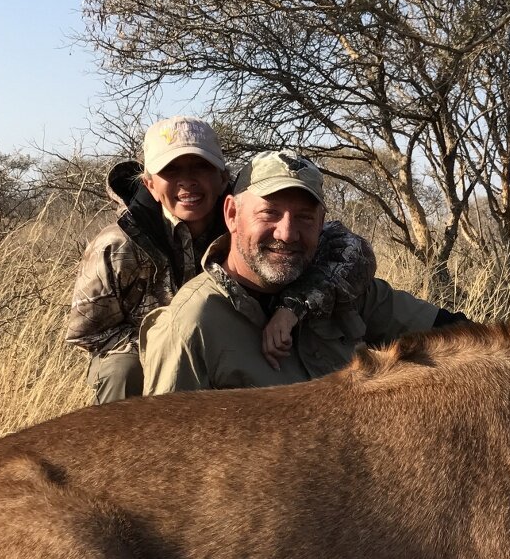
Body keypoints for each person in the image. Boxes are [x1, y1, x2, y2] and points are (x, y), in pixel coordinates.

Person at [64, 118, 375, 403]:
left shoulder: (247, 217)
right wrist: (173, 339)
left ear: (222, 177)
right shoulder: (115, 245)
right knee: (122, 372)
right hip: (157, 351)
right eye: (171, 171)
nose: (187, 183)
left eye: (199, 168)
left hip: (237, 332)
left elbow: (349, 249)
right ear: (149, 184)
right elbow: (87, 334)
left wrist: (291, 306)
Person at [141, 150, 466, 394]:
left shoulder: (346, 293)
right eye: (269, 213)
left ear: (322, 223)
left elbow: (459, 336)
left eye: (304, 217)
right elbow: (163, 462)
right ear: (231, 215)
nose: (287, 233)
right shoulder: (191, 323)